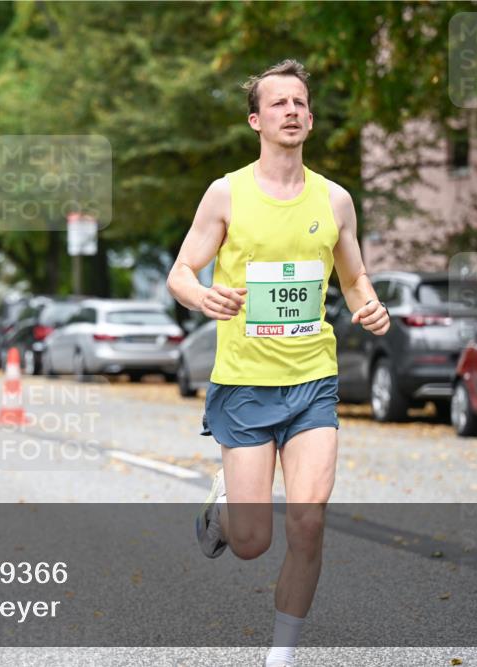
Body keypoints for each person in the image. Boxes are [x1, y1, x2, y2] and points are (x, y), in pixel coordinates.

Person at [166, 60, 390, 667]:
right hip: (244, 383)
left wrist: (369, 307)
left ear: (310, 119)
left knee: (308, 521)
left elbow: (354, 278)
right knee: (250, 543)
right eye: (278, 103)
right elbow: (181, 272)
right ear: (255, 121)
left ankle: (281, 655)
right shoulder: (226, 193)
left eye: (299, 103)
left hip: (312, 380)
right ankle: (224, 508)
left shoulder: (335, 200)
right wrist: (202, 296)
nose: (291, 110)